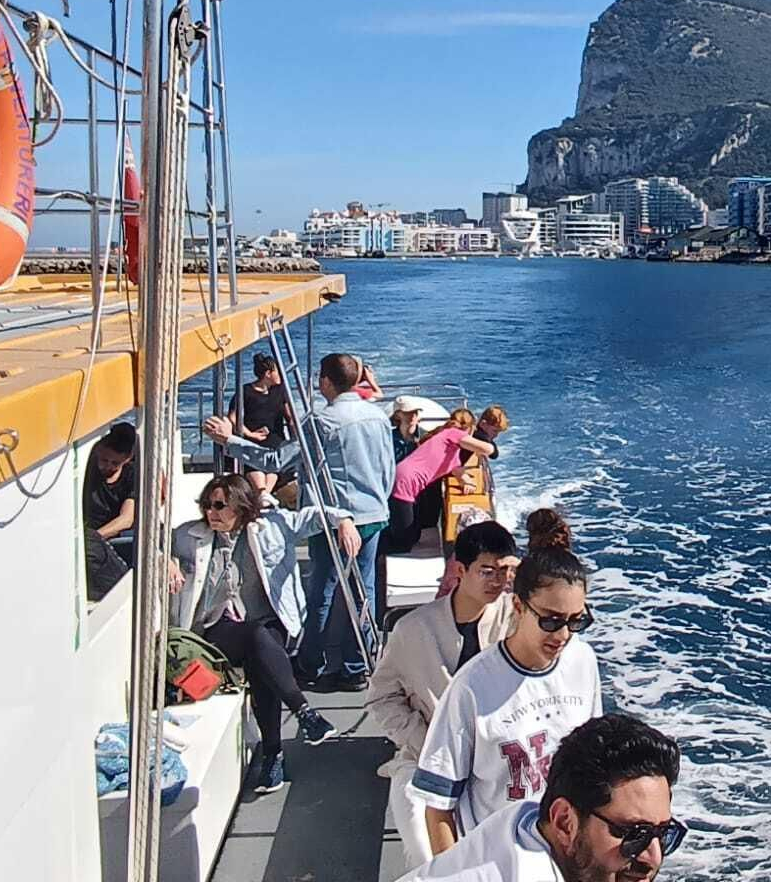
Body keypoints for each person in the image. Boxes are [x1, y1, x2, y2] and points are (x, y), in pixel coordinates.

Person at [203, 350, 395, 692]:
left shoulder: (321, 422)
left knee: (322, 590)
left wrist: (229, 441)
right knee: (363, 591)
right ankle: (356, 667)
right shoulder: (378, 416)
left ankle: (310, 664)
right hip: (373, 513)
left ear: (324, 382)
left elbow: (276, 458)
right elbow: (387, 468)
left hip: (332, 519)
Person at [411, 516, 601, 856]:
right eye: (551, 620)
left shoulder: (583, 661)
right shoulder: (471, 687)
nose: (563, 635)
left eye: (577, 621)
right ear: (518, 606)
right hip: (497, 860)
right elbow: (439, 806)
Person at [168, 474, 358, 794]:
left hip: (266, 620)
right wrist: (168, 560)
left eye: (219, 506)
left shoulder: (270, 526)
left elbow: (310, 517)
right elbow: (157, 543)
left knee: (261, 648)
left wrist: (345, 521)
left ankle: (274, 754)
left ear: (241, 508)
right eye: (207, 505)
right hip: (214, 630)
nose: (211, 512)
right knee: (259, 640)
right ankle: (303, 715)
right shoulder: (188, 536)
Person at [368, 521, 522, 869]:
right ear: (460, 569)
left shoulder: (515, 621)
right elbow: (381, 697)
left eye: (505, 571)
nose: (498, 581)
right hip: (421, 762)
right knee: (426, 855)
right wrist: (425, 742)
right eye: (487, 571)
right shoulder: (414, 629)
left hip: (495, 763)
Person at [394, 714, 686, 882]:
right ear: (565, 823)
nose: (653, 857)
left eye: (663, 834)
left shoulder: (526, 820)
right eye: (634, 834)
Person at [383, 408, 497, 556]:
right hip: (404, 484)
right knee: (403, 543)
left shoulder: (449, 446)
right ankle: (366, 547)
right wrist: (487, 441)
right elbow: (487, 449)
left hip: (406, 482)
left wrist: (467, 483)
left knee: (415, 534)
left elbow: (457, 471)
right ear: (469, 429)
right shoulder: (454, 433)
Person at [82, 422, 138, 600]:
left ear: (127, 458)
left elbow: (126, 519)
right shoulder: (87, 468)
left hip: (110, 541)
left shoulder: (132, 475)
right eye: (104, 460)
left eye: (115, 463)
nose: (107, 466)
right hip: (87, 534)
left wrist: (93, 539)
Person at [230, 353, 292, 498]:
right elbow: (233, 418)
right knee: (254, 464)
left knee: (274, 464)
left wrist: (294, 439)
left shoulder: (280, 391)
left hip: (275, 441)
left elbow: (290, 417)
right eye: (277, 371)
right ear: (268, 373)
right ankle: (263, 494)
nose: (280, 375)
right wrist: (250, 434)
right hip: (252, 442)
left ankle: (264, 495)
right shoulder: (245, 392)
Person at [391, 396, 426, 464]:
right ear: (397, 415)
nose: (413, 415)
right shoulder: (388, 439)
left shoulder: (425, 437)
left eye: (415, 411)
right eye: (408, 411)